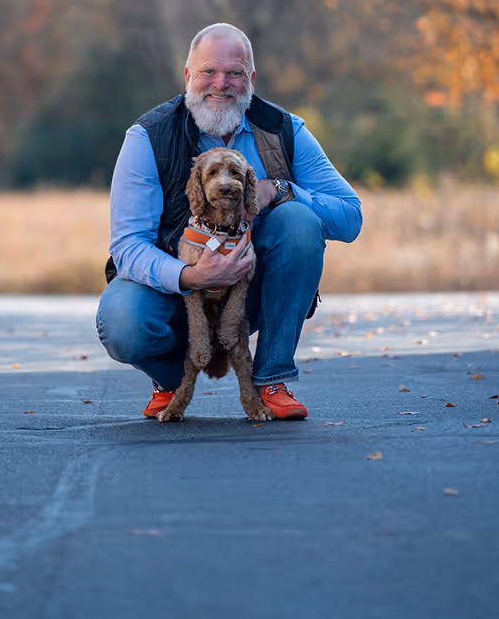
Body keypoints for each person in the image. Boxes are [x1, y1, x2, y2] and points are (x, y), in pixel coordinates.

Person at [96, 23, 362, 420]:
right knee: (121, 320)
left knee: (299, 222)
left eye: (234, 73)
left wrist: (281, 190)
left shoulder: (283, 130)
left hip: (249, 292)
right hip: (173, 293)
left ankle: (272, 378)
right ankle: (171, 380)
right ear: (188, 76)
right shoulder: (148, 137)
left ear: (250, 80)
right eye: (208, 72)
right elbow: (128, 245)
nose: (220, 84)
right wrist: (190, 276)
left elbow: (350, 216)